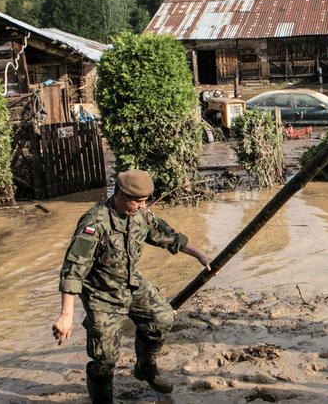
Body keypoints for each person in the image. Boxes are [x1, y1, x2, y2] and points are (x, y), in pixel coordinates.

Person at [51, 169, 212, 404]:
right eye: (137, 201)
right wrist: (66, 315)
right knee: (104, 359)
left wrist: (199, 255)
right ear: (120, 194)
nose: (141, 206)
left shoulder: (141, 215)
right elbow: (73, 269)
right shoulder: (95, 223)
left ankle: (145, 367)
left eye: (144, 201)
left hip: (131, 284)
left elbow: (167, 236)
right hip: (102, 296)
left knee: (162, 317)